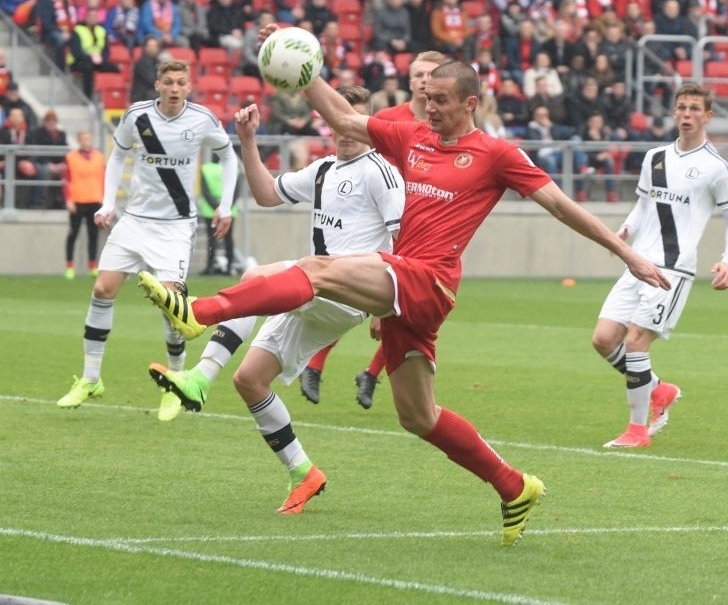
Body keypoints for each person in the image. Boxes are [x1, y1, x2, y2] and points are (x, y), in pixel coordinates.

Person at [139, 34, 670, 547]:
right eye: (426, 98)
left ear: (470, 102)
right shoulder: (411, 136)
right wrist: (305, 70)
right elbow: (344, 118)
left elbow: (560, 205)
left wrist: (625, 253)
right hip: (403, 287)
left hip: (428, 279)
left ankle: (198, 312)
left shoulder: (496, 153)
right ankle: (514, 486)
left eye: (440, 100)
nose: (429, 107)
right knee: (418, 416)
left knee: (318, 268)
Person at [146, 87, 403, 518]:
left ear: (369, 125)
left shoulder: (381, 172)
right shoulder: (323, 170)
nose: (347, 129)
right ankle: (303, 472)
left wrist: (388, 308)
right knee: (250, 380)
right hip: (314, 292)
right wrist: (247, 141)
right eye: (340, 119)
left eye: (356, 120)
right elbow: (267, 194)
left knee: (254, 277)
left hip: (348, 293)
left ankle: (199, 368)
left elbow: (403, 239)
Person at [56, 60, 238, 415]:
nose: (174, 88)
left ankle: (175, 383)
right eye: (168, 81)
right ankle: (91, 378)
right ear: (157, 84)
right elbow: (118, 154)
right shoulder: (137, 116)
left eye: (180, 82)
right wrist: (109, 202)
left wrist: (226, 206)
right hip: (135, 221)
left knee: (173, 308)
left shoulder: (201, 119)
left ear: (188, 86)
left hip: (174, 227)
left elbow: (228, 157)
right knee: (102, 290)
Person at [592, 83, 728, 449]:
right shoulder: (655, 157)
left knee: (635, 342)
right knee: (603, 339)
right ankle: (659, 390)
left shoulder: (715, 168)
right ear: (674, 113)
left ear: (707, 116)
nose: (686, 114)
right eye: (681, 108)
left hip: (673, 270)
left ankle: (637, 430)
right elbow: (643, 206)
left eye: (694, 109)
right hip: (638, 263)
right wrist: (625, 230)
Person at [299, 50, 451, 409]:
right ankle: (316, 365)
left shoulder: (443, 122)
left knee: (417, 313)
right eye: (418, 75)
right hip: (385, 217)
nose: (423, 81)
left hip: (427, 227)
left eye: (431, 75)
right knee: (346, 291)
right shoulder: (389, 119)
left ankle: (370, 373)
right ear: (410, 80)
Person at [62, 130, 105, 279]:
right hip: (77, 200)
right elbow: (66, 180)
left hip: (94, 199)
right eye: (84, 138)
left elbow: (104, 179)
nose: (86, 141)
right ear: (79, 140)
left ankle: (92, 265)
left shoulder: (99, 157)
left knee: (93, 234)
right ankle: (69, 266)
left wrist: (104, 199)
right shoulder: (71, 157)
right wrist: (68, 199)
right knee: (73, 233)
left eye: (88, 138)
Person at [198, 157, 239, 276]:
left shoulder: (206, 169)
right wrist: (225, 207)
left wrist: (215, 206)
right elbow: (236, 190)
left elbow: (204, 190)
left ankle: (210, 266)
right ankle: (229, 266)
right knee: (228, 239)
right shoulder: (233, 168)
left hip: (210, 210)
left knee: (212, 239)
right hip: (228, 210)